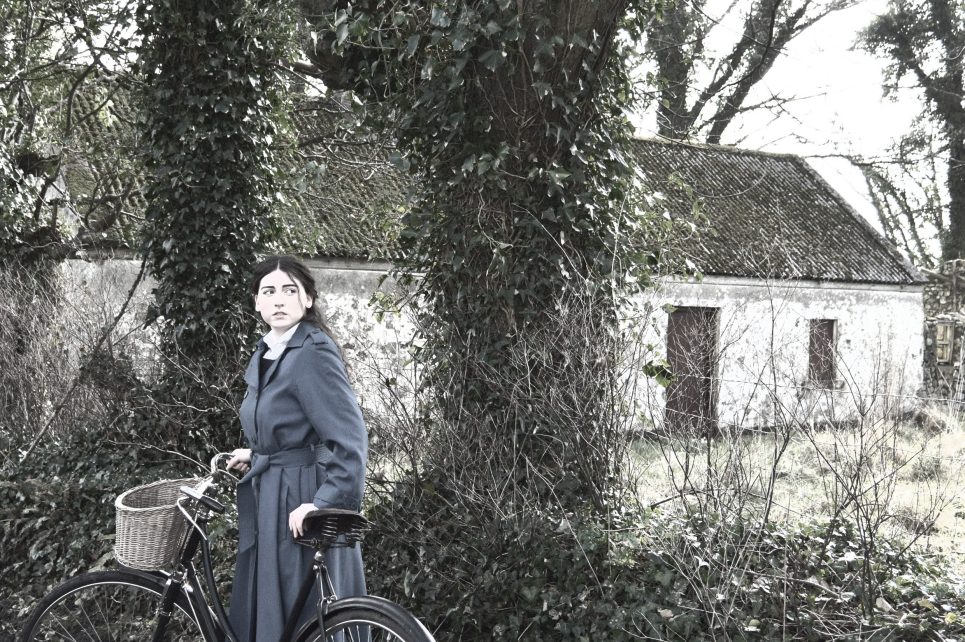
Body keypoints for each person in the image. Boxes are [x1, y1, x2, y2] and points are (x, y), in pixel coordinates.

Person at [226, 256, 368, 642]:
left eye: (290, 290)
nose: (279, 300)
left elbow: (350, 439)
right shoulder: (269, 351)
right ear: (256, 302)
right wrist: (255, 455)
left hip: (302, 500)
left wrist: (323, 502)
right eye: (268, 291)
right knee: (280, 610)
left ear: (308, 300)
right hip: (271, 493)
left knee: (307, 612)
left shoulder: (312, 351)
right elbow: (290, 427)